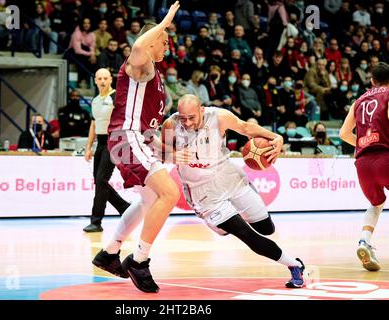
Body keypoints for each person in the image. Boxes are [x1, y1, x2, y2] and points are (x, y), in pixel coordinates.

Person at [161, 94, 305, 288]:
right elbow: (161, 154)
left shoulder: (219, 116)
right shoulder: (171, 125)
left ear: (201, 110)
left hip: (229, 177)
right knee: (246, 234)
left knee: (266, 228)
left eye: (192, 117)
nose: (186, 122)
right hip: (203, 193)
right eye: (183, 117)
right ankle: (295, 265)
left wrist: (276, 137)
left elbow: (246, 128)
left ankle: (227, 220)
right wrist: (173, 156)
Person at [91, 2, 184, 294]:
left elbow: (149, 129)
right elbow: (140, 45)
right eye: (165, 41)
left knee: (149, 201)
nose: (168, 46)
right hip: (124, 137)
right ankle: (140, 260)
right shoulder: (140, 64)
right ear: (153, 39)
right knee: (170, 193)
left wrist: (167, 152)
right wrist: (165, 20)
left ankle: (109, 253)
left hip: (137, 139)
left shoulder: (156, 80)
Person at [339, 62, 389, 272]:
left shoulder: (358, 101)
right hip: (385, 157)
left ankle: (364, 241)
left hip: (362, 164)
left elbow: (343, 133)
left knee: (376, 203)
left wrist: (362, 142)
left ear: (371, 80)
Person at [83, 68, 130, 233]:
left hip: (114, 140)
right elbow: (93, 124)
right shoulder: (95, 100)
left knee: (101, 180)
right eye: (99, 78)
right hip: (101, 142)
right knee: (99, 181)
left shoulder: (116, 97)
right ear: (95, 81)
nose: (102, 81)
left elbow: (125, 119)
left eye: (105, 78)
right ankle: (125, 208)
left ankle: (96, 221)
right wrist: (89, 147)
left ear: (111, 80)